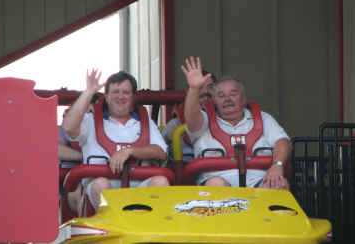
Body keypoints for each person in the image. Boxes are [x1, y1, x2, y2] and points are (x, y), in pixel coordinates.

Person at [62, 69, 169, 211]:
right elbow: (69, 127)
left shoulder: (145, 122)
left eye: (126, 92)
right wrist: (88, 92)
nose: (121, 96)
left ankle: (146, 229)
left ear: (133, 97)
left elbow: (161, 151)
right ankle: (116, 225)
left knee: (161, 182)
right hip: (101, 193)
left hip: (139, 189)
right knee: (101, 184)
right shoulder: (90, 121)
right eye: (115, 92)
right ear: (106, 97)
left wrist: (129, 151)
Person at [181, 56, 292, 189]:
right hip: (217, 184)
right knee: (216, 184)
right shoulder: (203, 121)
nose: (227, 99)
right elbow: (191, 118)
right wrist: (194, 89)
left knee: (279, 184)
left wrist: (277, 166)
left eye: (233, 94)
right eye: (221, 96)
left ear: (243, 98)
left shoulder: (263, 118)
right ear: (214, 101)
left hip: (259, 182)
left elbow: (282, 142)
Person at [161, 70, 216, 162]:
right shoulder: (175, 125)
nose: (205, 91)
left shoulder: (225, 120)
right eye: (200, 87)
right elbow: (159, 157)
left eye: (210, 87)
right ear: (190, 93)